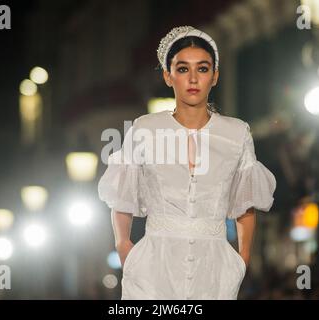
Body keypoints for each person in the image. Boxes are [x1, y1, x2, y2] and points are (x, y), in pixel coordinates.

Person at [98, 26, 276, 299]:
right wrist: (124, 247)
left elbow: (245, 203)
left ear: (214, 76)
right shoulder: (145, 129)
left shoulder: (237, 133)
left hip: (215, 269)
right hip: (152, 267)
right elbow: (122, 198)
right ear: (168, 76)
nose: (193, 78)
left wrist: (242, 259)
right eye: (182, 69)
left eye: (202, 69)